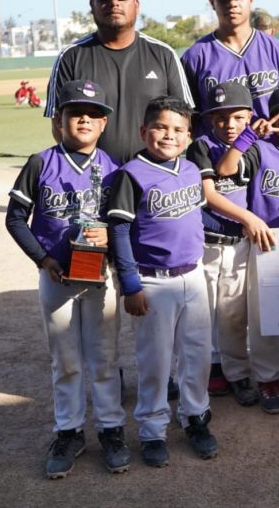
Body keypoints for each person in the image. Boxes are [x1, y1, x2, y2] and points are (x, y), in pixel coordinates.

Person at [6, 79, 128, 478]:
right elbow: (14, 219)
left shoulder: (114, 169)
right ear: (59, 120)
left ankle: (111, 428)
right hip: (56, 276)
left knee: (105, 358)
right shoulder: (41, 162)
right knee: (66, 360)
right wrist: (43, 259)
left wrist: (109, 236)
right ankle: (69, 431)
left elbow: (126, 224)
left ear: (105, 124)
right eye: (77, 113)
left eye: (94, 115)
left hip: (100, 276)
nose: (86, 120)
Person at [106, 98, 217, 467]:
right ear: (143, 131)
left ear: (188, 137)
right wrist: (130, 284)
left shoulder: (189, 168)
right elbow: (119, 232)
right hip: (152, 280)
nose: (169, 135)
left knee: (198, 355)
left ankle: (196, 418)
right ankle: (152, 430)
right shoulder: (131, 173)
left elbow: (196, 220)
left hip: (193, 275)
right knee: (155, 362)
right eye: (160, 127)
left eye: (178, 129)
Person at [216, 85, 279, 409]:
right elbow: (225, 170)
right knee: (265, 318)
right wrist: (248, 135)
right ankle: (268, 379)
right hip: (266, 243)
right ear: (271, 118)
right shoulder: (259, 147)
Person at [186, 81, 279, 412]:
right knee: (202, 314)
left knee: (233, 313)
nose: (229, 125)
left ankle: (238, 373)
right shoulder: (200, 146)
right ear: (210, 119)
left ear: (250, 116)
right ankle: (206, 371)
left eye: (238, 117)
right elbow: (209, 194)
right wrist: (249, 218)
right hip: (207, 244)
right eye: (221, 117)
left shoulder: (255, 145)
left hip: (240, 245)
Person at [45, 0, 194, 164]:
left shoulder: (163, 54)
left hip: (152, 177)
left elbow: (185, 118)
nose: (114, 3)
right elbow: (59, 125)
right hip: (95, 178)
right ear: (92, 4)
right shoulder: (71, 56)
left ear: (136, 4)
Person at [180, 0, 279, 119]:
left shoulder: (278, 50)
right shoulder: (194, 57)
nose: (232, 3)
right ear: (211, 2)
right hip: (217, 143)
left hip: (269, 141)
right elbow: (189, 117)